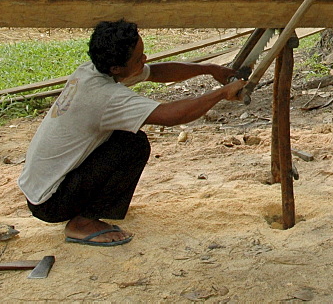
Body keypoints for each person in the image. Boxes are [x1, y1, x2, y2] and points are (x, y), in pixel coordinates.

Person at [18, 19, 246, 246]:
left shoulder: (92, 71)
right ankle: (82, 224)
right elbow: (171, 116)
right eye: (139, 58)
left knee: (124, 138)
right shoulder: (105, 96)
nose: (144, 60)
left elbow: (156, 72)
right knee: (132, 145)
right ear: (117, 67)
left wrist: (209, 69)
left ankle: (87, 209)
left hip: (41, 189)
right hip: (51, 202)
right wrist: (221, 93)